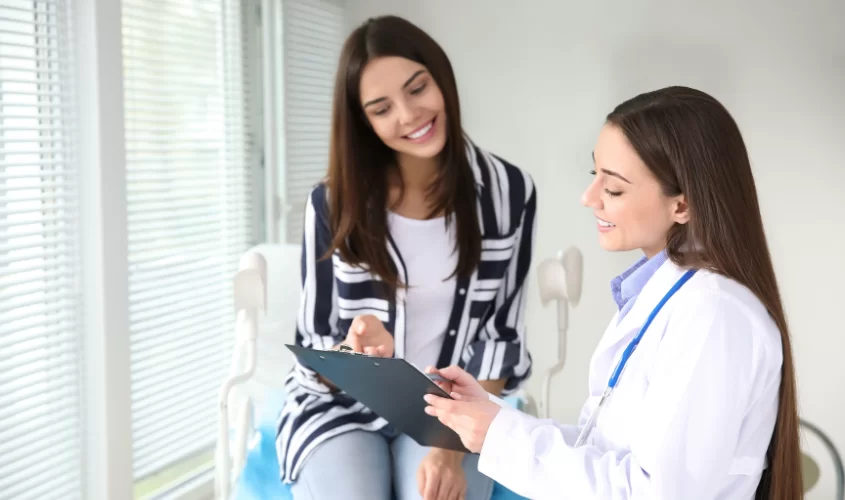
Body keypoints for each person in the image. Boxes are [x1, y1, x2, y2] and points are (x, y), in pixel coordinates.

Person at [423, 86, 804, 499]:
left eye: (614, 188)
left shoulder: (715, 315)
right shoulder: (664, 298)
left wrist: (502, 438)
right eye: (595, 176)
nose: (589, 198)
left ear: (682, 206)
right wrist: (492, 416)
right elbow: (603, 450)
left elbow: (660, 494)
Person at [275, 15, 537, 500]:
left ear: (441, 78)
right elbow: (315, 342)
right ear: (364, 122)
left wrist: (450, 447)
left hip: (451, 407)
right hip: (341, 410)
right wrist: (352, 352)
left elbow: (499, 338)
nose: (410, 114)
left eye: (417, 88)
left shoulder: (508, 193)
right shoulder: (331, 204)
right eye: (382, 108)